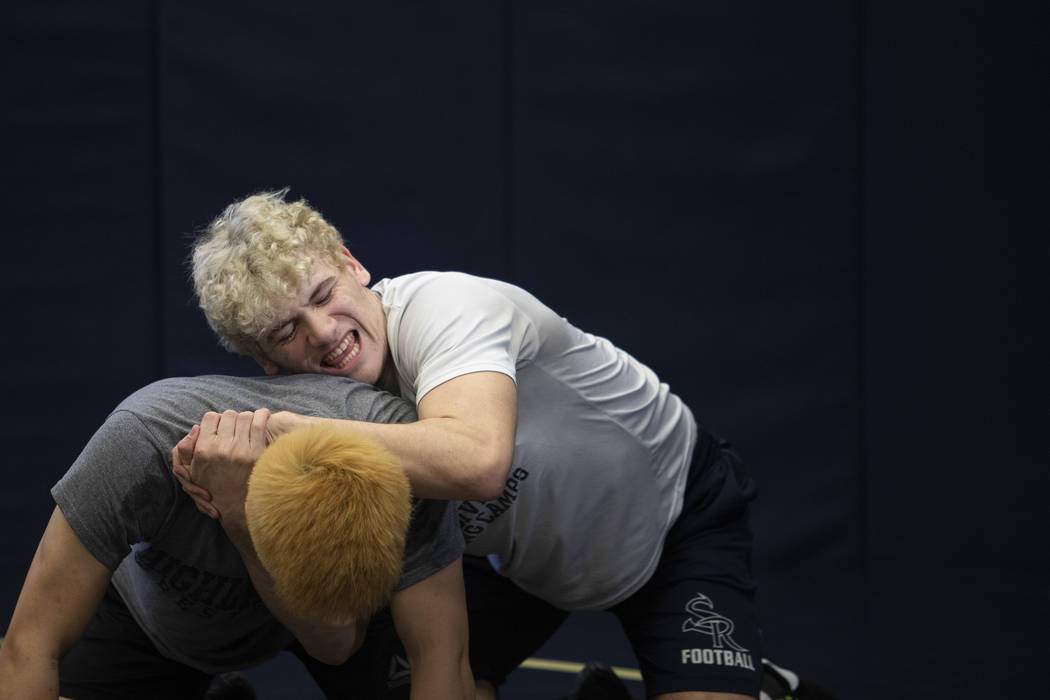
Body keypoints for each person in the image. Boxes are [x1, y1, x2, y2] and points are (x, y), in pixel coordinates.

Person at [186, 190, 784, 700]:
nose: (323, 332)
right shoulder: (319, 404)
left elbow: (477, 463)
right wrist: (237, 504)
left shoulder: (447, 309)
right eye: (287, 330)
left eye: (321, 296)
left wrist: (300, 437)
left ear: (352, 263)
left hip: (671, 515)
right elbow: (334, 629)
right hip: (525, 565)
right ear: (267, 363)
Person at [0, 373, 473, 700]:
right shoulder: (139, 440)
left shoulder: (398, 457)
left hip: (294, 618)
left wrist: (238, 519)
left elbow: (341, 646)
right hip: (150, 619)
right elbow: (28, 647)